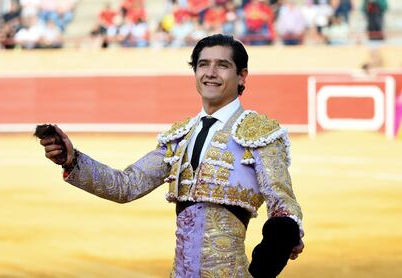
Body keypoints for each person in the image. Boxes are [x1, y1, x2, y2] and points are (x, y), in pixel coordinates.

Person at [39, 34, 304, 277]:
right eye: (203, 64)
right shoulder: (178, 138)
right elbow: (126, 186)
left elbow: (284, 211)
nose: (210, 73)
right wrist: (72, 160)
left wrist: (263, 268)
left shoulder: (259, 134)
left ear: (242, 76)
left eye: (222, 65)